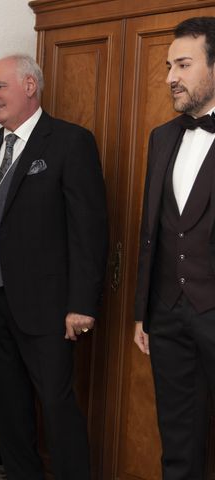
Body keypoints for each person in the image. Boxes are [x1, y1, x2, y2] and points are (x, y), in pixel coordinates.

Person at [0, 54, 108, 480]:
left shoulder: (70, 142)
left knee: (57, 407)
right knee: (7, 407)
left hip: (50, 307)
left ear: (29, 86)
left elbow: (88, 230)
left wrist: (82, 304)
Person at [133, 16, 215, 480]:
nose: (169, 77)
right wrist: (143, 312)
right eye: (169, 65)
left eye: (183, 64)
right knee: (178, 442)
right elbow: (154, 230)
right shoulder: (162, 137)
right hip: (168, 314)